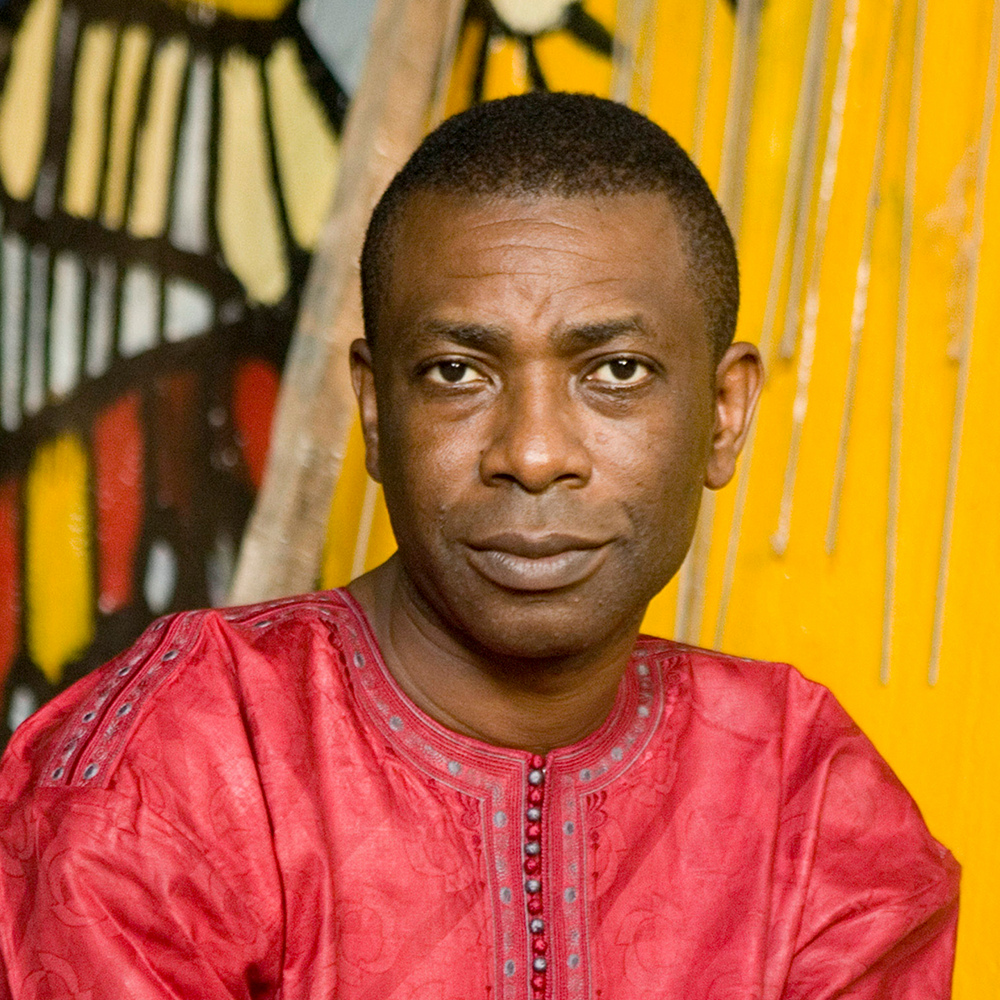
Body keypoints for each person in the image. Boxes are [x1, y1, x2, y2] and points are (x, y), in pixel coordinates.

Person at [0, 93, 958, 999]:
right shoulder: (178, 767)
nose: (533, 454)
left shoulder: (806, 799)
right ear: (376, 411)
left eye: (617, 371)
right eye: (457, 372)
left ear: (723, 412)